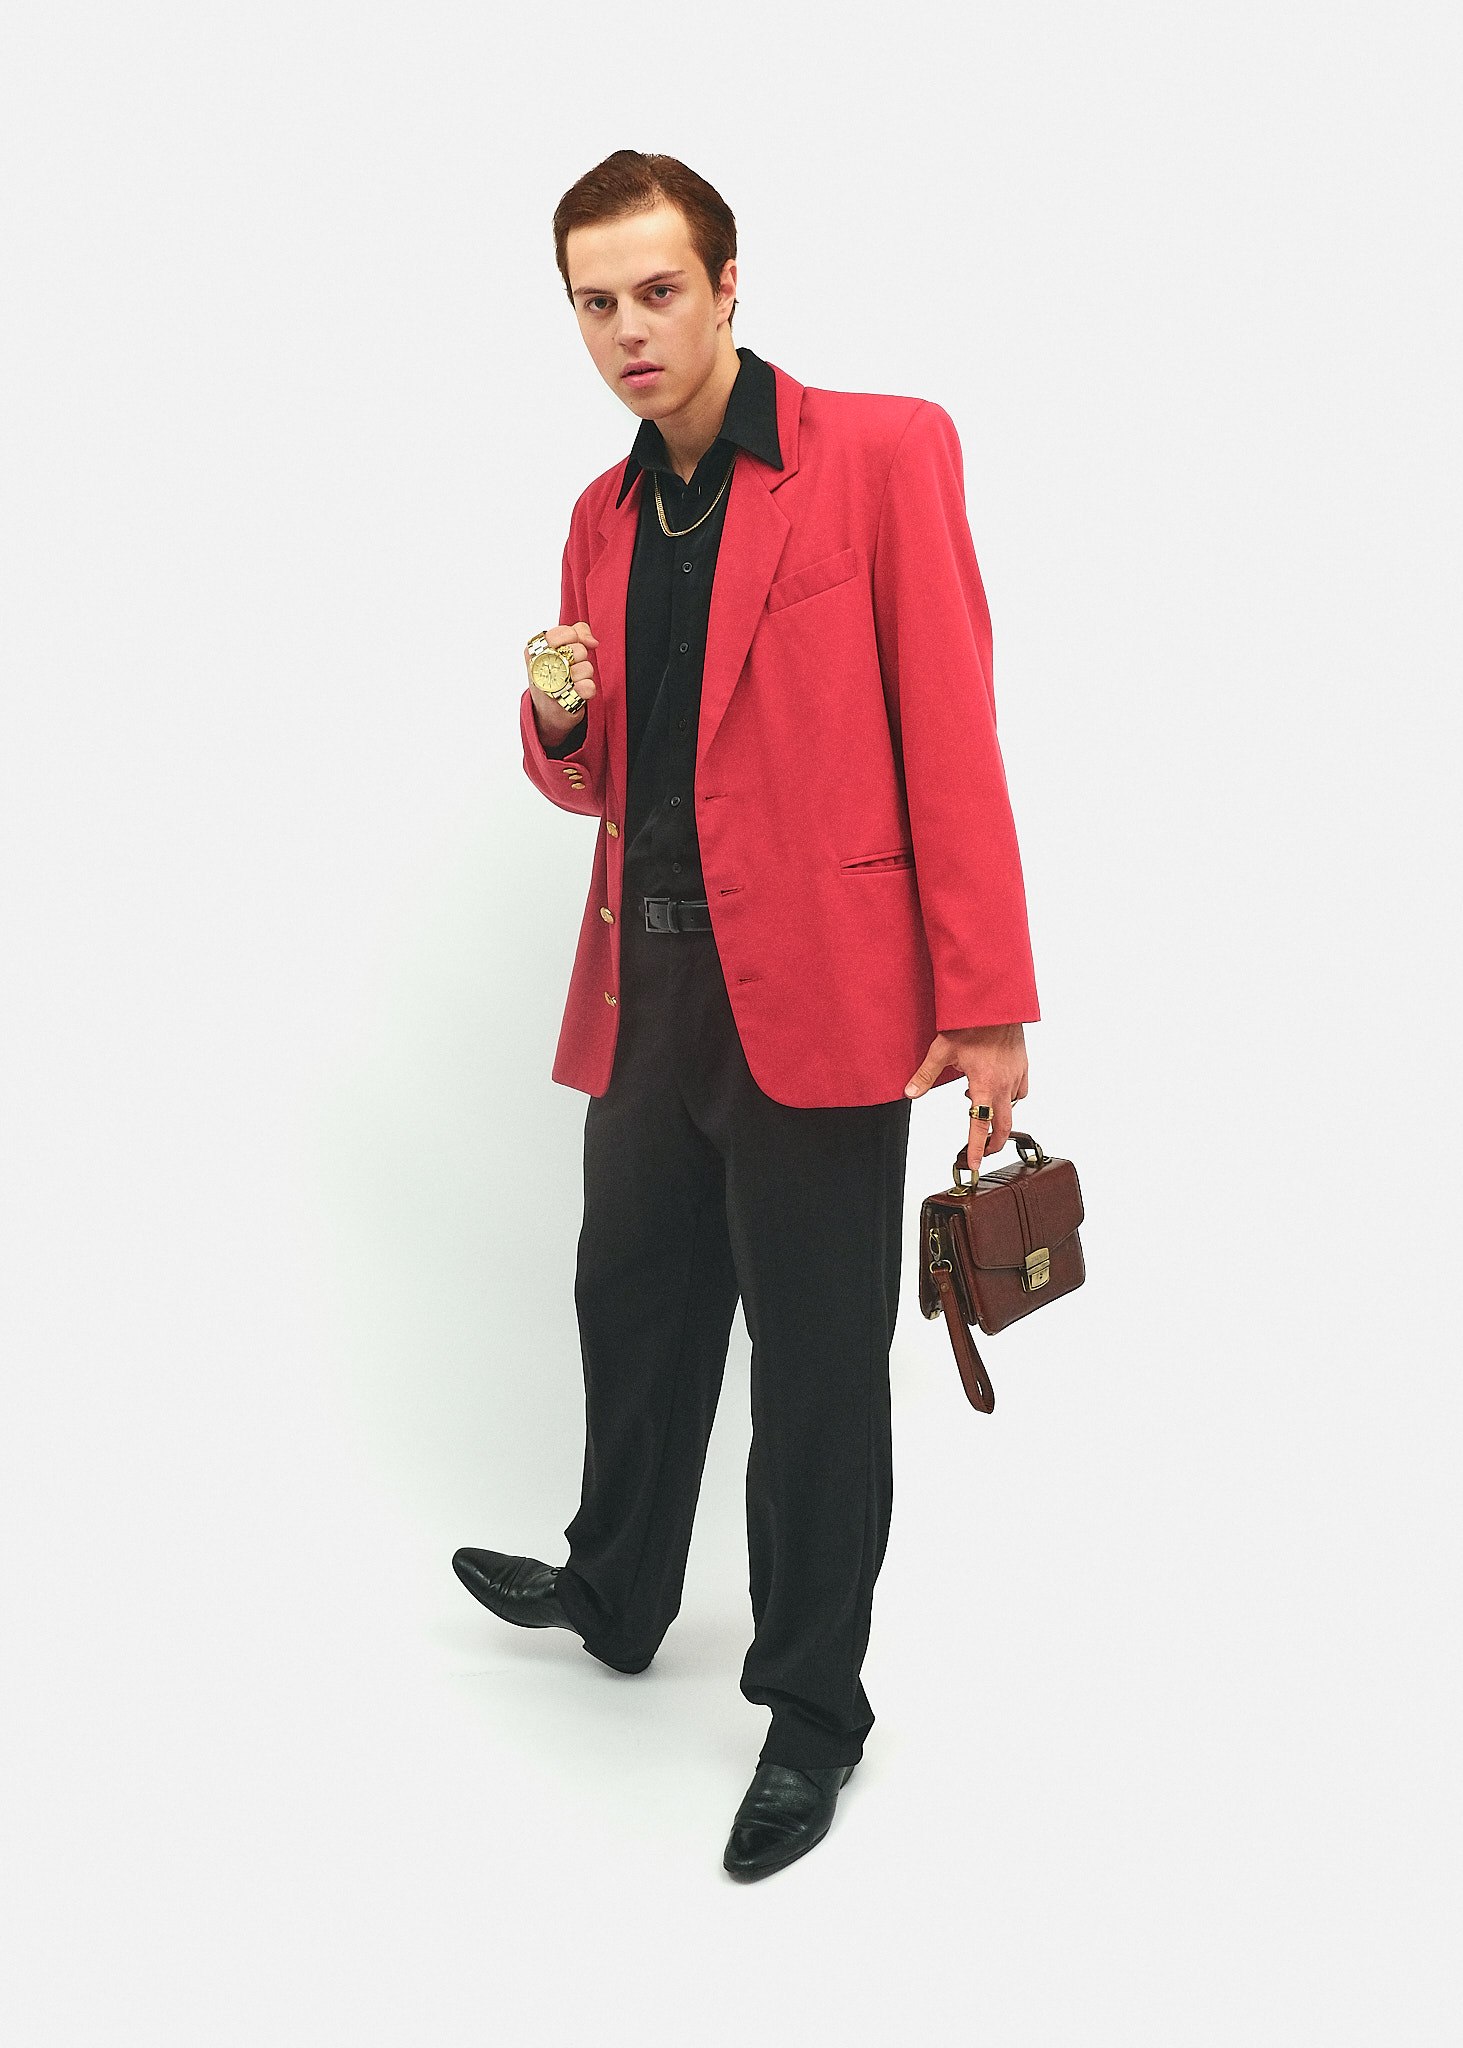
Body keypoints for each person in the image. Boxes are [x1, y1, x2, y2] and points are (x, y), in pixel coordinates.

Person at [453, 150, 1041, 1882]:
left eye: (656, 291)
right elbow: (600, 784)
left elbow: (953, 727)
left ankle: (810, 1710)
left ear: (726, 285)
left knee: (815, 1367)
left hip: (832, 1000)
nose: (626, 331)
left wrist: (988, 1002)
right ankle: (619, 1588)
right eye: (593, 303)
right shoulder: (602, 514)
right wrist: (561, 725)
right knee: (628, 1302)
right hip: (646, 988)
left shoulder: (882, 453)